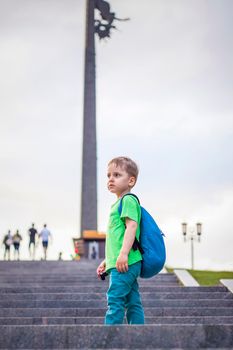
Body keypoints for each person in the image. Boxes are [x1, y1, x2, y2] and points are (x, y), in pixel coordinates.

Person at [96, 156, 144, 325]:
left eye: (117, 175)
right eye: (108, 175)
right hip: (124, 261)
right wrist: (106, 260)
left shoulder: (128, 200)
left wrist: (123, 254)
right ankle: (138, 332)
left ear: (131, 181)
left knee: (115, 298)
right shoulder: (117, 204)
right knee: (132, 301)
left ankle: (109, 336)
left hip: (126, 262)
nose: (111, 179)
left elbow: (132, 227)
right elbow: (117, 238)